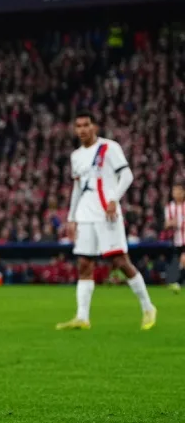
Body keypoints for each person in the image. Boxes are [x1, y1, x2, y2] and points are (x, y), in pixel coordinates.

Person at [56, 111, 156, 331]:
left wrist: (114, 199)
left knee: (120, 262)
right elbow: (77, 188)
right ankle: (82, 317)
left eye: (86, 125)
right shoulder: (76, 156)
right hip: (85, 215)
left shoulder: (109, 148)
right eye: (78, 126)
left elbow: (127, 176)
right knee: (84, 264)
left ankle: (148, 307)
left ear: (95, 127)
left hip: (106, 213)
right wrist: (72, 218)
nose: (82, 129)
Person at [165, 181, 185, 293]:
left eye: (178, 191)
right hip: (177, 240)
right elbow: (166, 224)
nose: (176, 193)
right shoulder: (169, 207)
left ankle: (178, 283)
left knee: (183, 259)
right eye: (174, 191)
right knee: (182, 262)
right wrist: (171, 223)